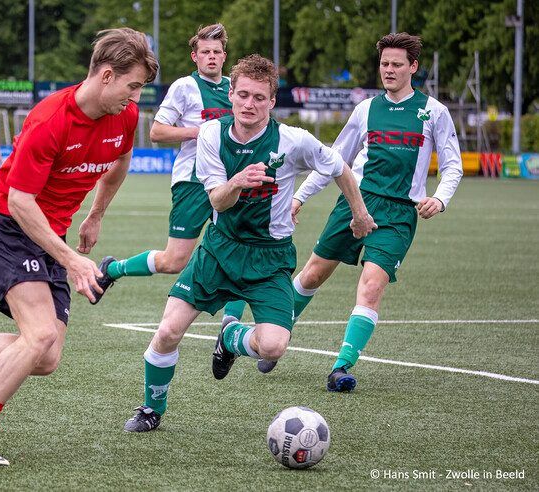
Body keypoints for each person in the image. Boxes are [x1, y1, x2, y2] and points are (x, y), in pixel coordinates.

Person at [0, 28, 158, 465]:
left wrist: (95, 214)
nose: (135, 98)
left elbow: (120, 161)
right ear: (107, 75)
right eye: (133, 86)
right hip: (9, 228)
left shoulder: (126, 116)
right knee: (38, 337)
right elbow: (19, 202)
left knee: (45, 358)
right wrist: (73, 260)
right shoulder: (50, 118)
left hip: (51, 234)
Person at [123, 54, 376, 432]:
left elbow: (339, 167)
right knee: (168, 331)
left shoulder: (293, 140)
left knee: (273, 345)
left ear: (272, 102)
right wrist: (238, 181)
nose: (249, 104)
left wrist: (359, 213)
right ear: (231, 94)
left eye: (259, 97)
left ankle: (230, 337)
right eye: (243, 94)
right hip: (220, 248)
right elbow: (216, 201)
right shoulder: (211, 134)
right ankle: (150, 408)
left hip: (270, 259)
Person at [256, 33, 463, 391]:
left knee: (371, 286)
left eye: (397, 64)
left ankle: (342, 366)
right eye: (385, 64)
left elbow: (453, 166)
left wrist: (440, 198)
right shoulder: (366, 109)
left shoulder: (434, 112)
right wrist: (300, 197)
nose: (389, 70)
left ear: (413, 67)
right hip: (356, 203)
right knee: (312, 275)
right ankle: (274, 337)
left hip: (399, 214)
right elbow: (334, 161)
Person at [90, 24, 246, 322]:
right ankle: (113, 269)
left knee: (239, 248)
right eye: (205, 52)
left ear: (224, 56)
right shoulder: (184, 87)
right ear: (195, 57)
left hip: (230, 182)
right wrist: (201, 132)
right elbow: (157, 131)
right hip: (193, 181)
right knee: (174, 260)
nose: (211, 57)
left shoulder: (235, 89)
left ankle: (231, 328)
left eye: (216, 52)